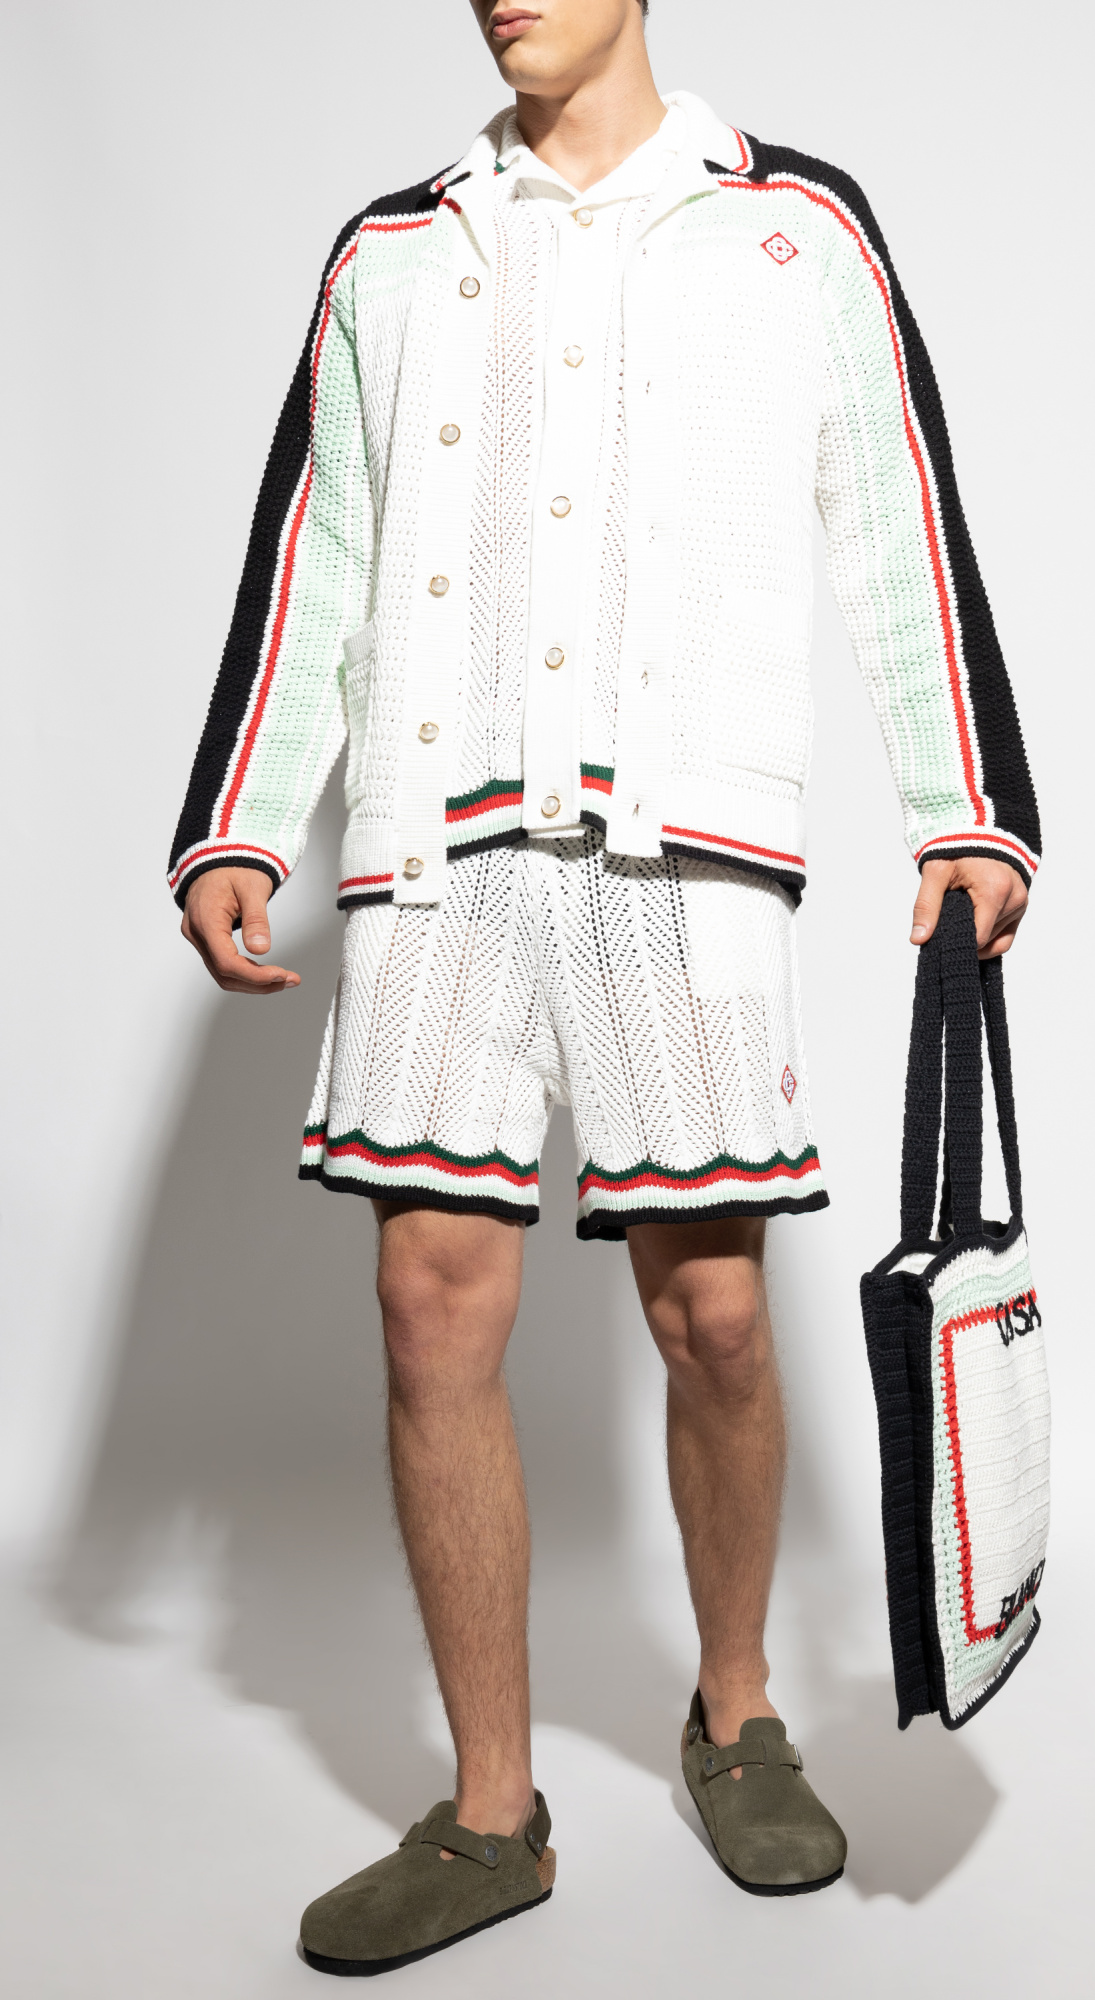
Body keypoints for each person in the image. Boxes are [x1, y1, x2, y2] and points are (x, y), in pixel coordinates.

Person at [170, 0, 1039, 1977]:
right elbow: (317, 543)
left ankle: (735, 1708)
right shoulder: (394, 251)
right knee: (426, 1307)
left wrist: (965, 804)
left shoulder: (791, 226)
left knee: (714, 1315)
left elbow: (897, 516)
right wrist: (240, 821)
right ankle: (492, 1812)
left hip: (684, 849)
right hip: (434, 851)